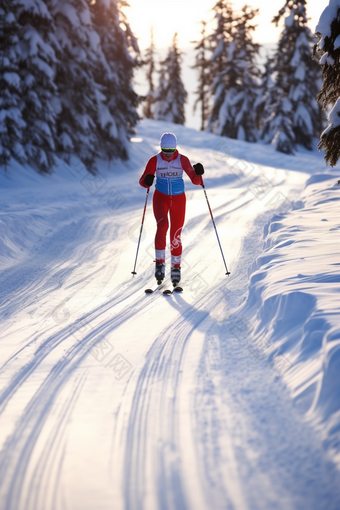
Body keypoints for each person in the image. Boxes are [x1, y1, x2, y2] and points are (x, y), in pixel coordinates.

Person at [139, 132, 204, 286]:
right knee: (162, 226)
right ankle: (160, 264)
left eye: (170, 152)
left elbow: (196, 181)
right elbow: (143, 181)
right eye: (164, 152)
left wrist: (199, 173)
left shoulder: (183, 160)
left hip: (178, 199)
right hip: (160, 198)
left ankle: (176, 266)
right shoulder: (155, 160)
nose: (167, 156)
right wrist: (147, 180)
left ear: (175, 149)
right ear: (161, 149)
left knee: (176, 232)